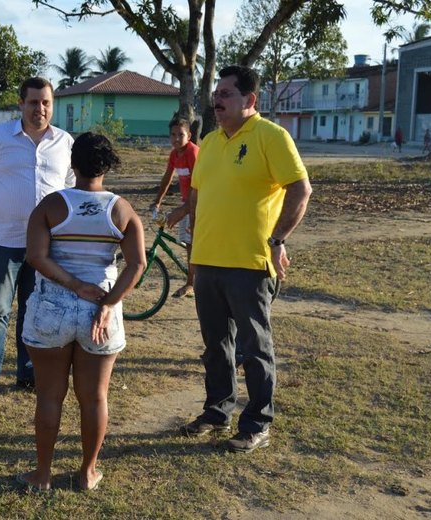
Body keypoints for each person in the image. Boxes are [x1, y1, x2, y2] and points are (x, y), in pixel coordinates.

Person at [167, 65, 312, 453]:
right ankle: (217, 412)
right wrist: (194, 252)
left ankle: (256, 423)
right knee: (216, 345)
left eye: (226, 94)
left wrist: (278, 239)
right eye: (216, 93)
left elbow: (301, 189)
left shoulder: (271, 137)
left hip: (249, 263)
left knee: (254, 347)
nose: (217, 100)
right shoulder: (211, 143)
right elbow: (196, 198)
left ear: (249, 100)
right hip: (209, 260)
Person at [17, 132, 145, 492]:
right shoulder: (122, 209)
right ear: (108, 165)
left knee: (49, 396)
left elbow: (36, 257)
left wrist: (73, 285)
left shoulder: (51, 206)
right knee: (94, 398)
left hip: (51, 309)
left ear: (72, 163)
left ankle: (42, 474)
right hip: (100, 312)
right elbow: (137, 264)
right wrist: (107, 302)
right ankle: (88, 472)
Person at [0, 77, 75, 402]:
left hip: (45, 245)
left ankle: (27, 374)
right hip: (3, 239)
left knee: (32, 309)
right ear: (20, 104)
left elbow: (68, 184)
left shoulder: (64, 142)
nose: (40, 109)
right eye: (33, 102)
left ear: (52, 105)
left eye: (46, 103)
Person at [150, 118, 199, 298]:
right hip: (187, 202)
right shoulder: (174, 154)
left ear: (189, 136)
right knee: (188, 244)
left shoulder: (193, 152)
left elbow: (198, 185)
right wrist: (157, 201)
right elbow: (167, 178)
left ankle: (191, 283)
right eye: (173, 134)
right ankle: (193, 280)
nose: (176, 139)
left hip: (199, 203)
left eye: (181, 134)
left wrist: (184, 210)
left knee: (194, 243)